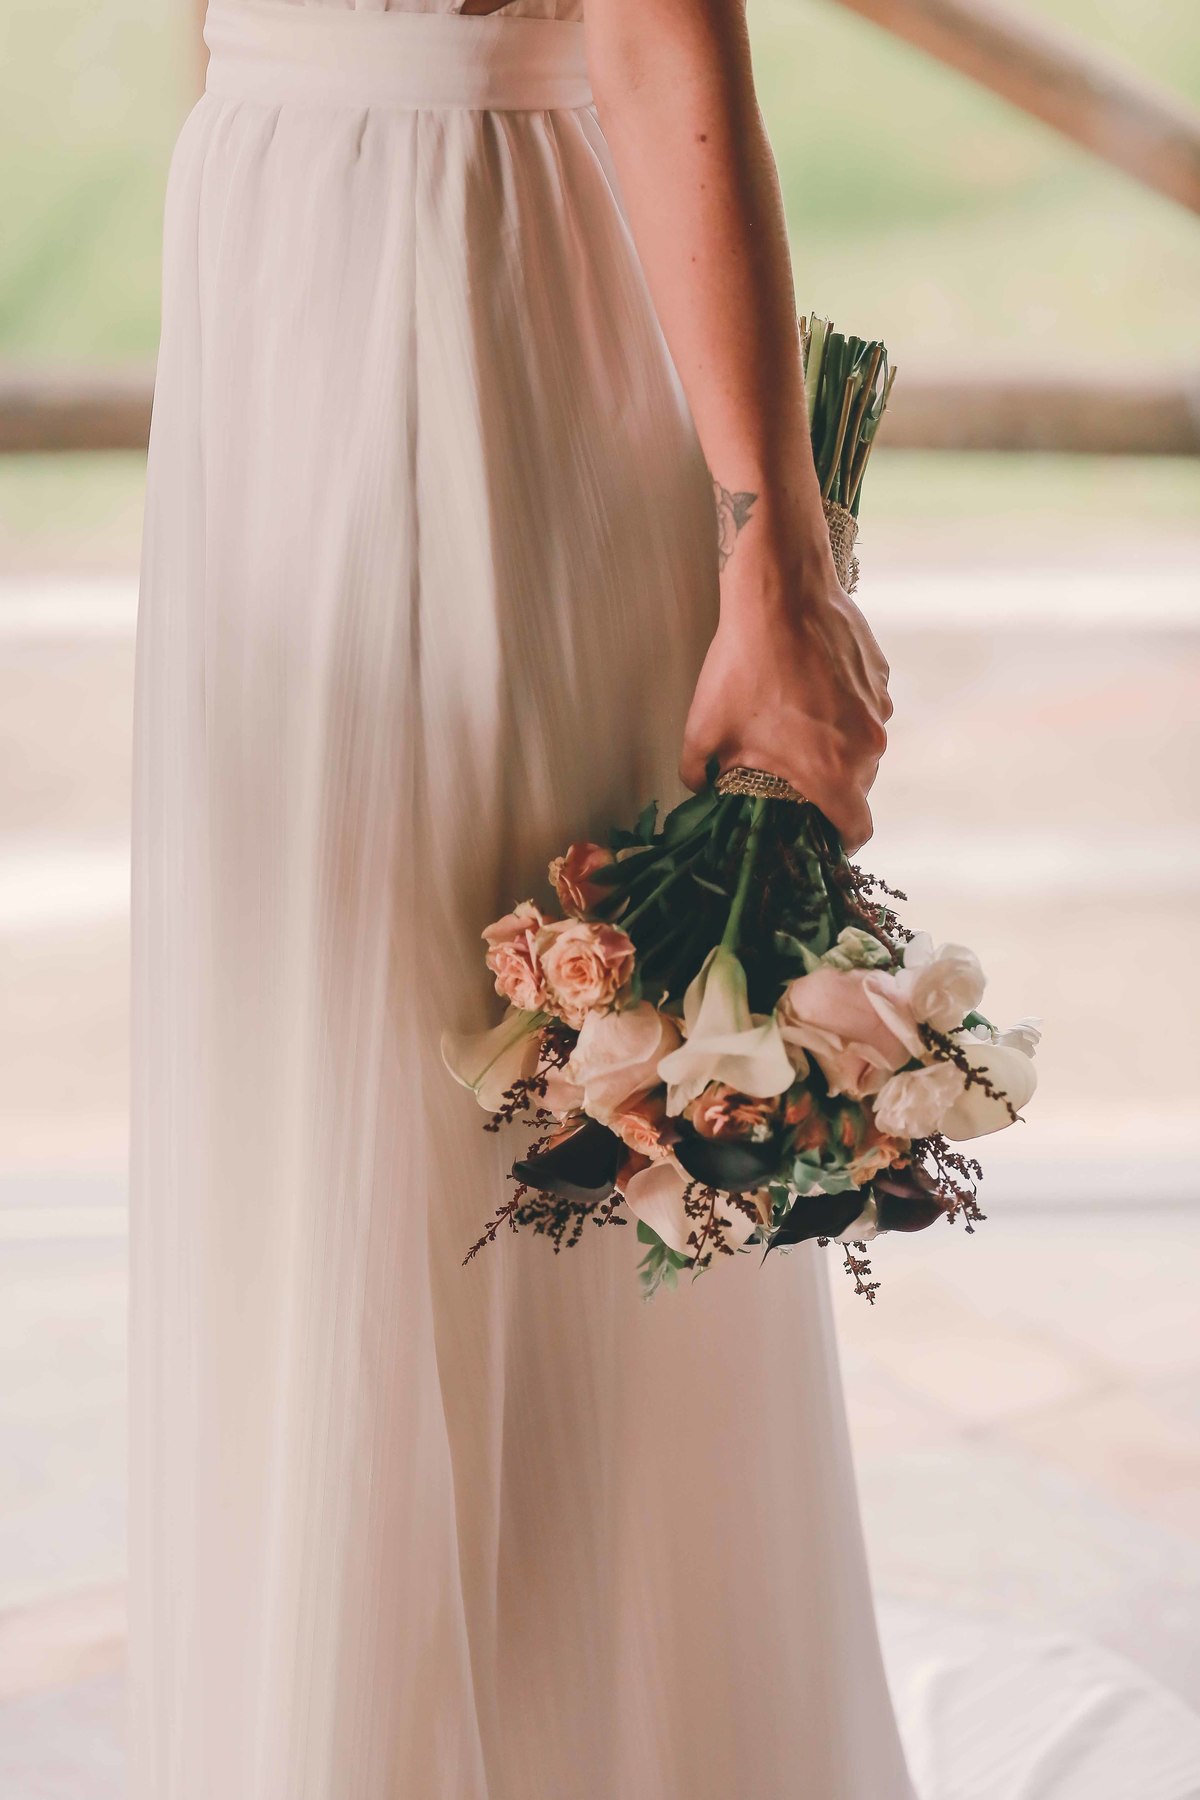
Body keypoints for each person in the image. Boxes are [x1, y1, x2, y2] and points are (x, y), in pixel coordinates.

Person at [130, 0, 907, 1795]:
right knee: (340, 1082)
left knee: (524, 1078)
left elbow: (654, 30)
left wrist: (772, 552)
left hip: (466, 280)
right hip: (278, 273)